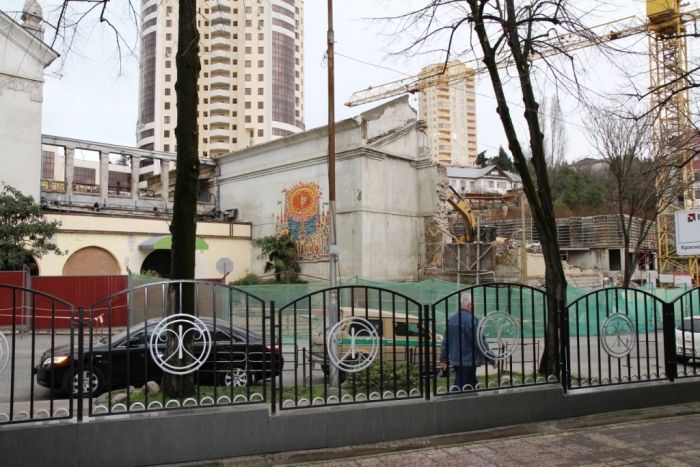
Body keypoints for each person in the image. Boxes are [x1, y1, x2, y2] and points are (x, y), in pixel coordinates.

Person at [440, 293, 497, 390]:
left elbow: (445, 340)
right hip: (468, 359)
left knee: (471, 386)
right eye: (473, 302)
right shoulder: (471, 320)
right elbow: (479, 341)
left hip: (456, 359)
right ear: (469, 305)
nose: (475, 304)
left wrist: (444, 358)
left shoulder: (452, 319)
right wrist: (491, 358)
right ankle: (451, 399)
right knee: (459, 387)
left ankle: (475, 399)